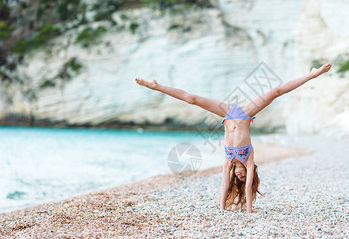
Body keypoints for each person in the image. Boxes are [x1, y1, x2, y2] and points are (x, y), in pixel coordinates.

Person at [135, 63, 332, 213]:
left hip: (228, 113)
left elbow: (225, 186)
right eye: (245, 176)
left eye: (240, 177)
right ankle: (313, 74)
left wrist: (222, 210)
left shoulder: (228, 162)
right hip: (246, 112)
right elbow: (248, 189)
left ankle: (155, 87)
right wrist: (249, 211)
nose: (241, 176)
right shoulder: (248, 159)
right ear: (250, 172)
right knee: (275, 92)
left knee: (191, 100)